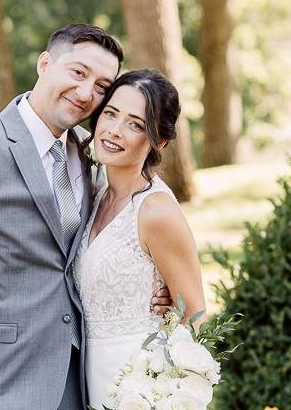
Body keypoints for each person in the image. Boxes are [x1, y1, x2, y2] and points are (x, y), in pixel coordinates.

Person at [0, 24, 171, 410]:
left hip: (78, 384)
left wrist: (156, 290)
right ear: (45, 64)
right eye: (78, 73)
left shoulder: (89, 156)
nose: (85, 93)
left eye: (101, 86)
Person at [73, 68, 207, 408]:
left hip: (139, 389)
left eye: (135, 124)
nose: (114, 131)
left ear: (157, 142)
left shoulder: (155, 211)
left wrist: (167, 395)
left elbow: (194, 317)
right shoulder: (95, 190)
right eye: (111, 114)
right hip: (90, 381)